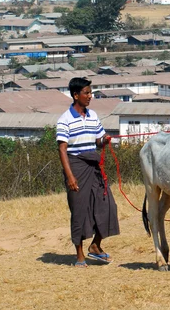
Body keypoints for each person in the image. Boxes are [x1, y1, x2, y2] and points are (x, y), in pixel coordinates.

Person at [56, 77, 120, 268]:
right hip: (75, 166)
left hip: (93, 165)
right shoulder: (64, 120)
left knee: (108, 206)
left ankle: (96, 246)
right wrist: (70, 177)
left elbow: (98, 141)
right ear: (76, 95)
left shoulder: (92, 116)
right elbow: (62, 149)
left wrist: (105, 140)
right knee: (79, 211)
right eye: (86, 93)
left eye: (90, 92)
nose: (90, 96)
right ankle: (80, 255)